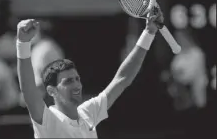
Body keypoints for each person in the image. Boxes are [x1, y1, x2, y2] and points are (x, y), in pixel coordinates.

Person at [16, 8, 163, 138]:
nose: (76, 85)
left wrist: (149, 33)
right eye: (68, 81)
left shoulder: (88, 112)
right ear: (51, 91)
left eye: (77, 79)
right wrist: (22, 44)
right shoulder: (47, 120)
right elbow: (29, 90)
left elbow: (123, 78)